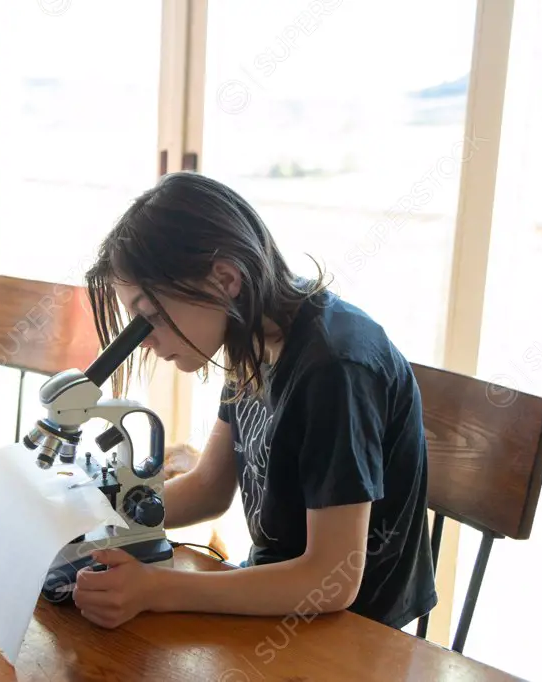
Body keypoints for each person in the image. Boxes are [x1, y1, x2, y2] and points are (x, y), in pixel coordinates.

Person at [73, 171, 437, 631]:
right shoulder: (255, 337)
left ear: (224, 278)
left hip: (353, 634)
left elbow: (331, 579)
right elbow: (209, 488)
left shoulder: (334, 368)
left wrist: (158, 590)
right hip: (273, 598)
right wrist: (93, 515)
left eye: (151, 317)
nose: (144, 341)